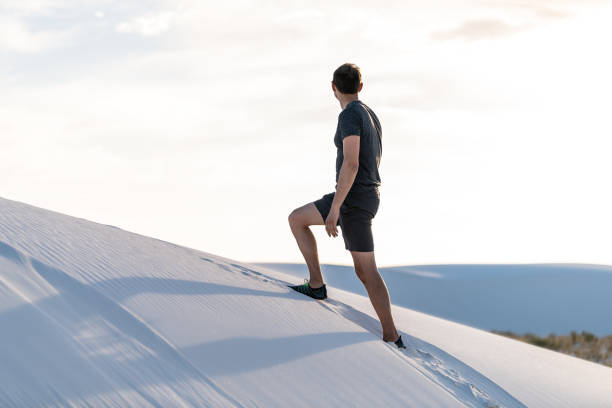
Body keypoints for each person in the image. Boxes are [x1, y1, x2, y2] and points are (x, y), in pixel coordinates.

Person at [288, 63, 405, 349]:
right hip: (357, 194)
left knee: (366, 270)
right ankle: (316, 285)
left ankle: (391, 333)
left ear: (333, 87)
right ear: (360, 87)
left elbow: (352, 163)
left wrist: (336, 208)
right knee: (297, 219)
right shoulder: (369, 114)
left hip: (354, 198)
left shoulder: (350, 115)